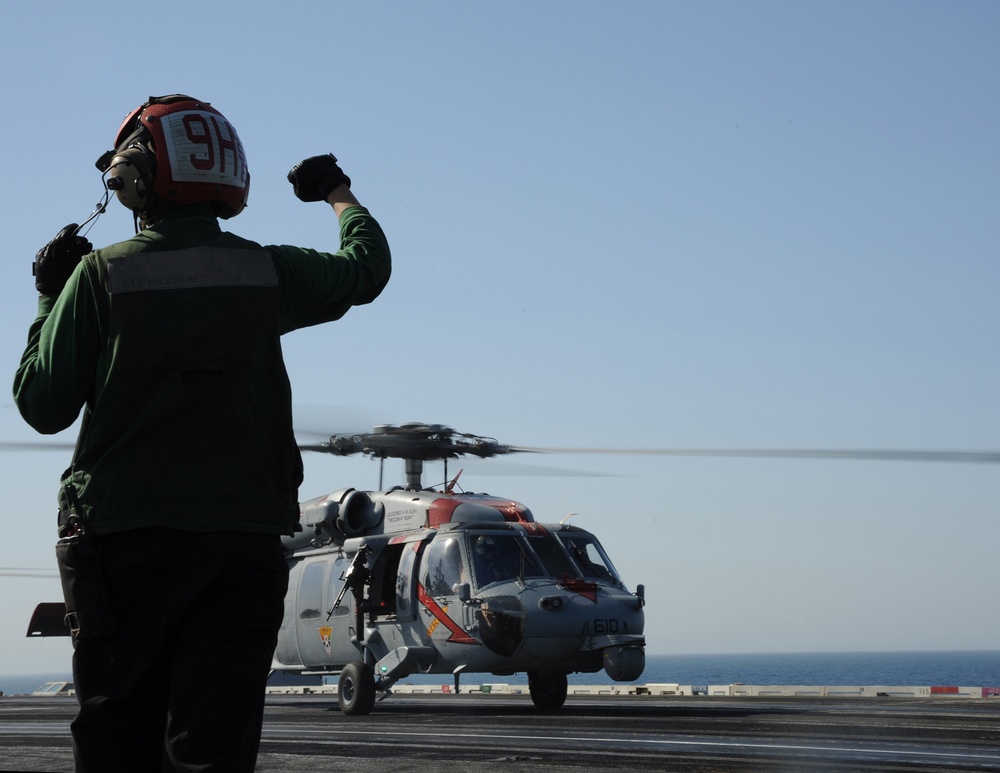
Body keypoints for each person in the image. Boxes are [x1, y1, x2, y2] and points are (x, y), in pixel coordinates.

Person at [12, 94, 391, 772]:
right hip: (240, 547)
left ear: (132, 177)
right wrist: (337, 192)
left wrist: (48, 296)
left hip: (125, 549)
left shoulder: (102, 277)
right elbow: (367, 268)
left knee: (117, 740)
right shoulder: (265, 271)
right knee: (214, 748)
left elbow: (42, 404)